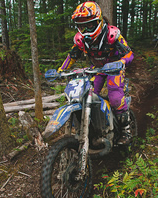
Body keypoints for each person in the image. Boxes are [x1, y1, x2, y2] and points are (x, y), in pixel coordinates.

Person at [57, 1, 134, 144]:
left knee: (115, 96)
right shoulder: (80, 40)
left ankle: (125, 131)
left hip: (114, 69)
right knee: (86, 95)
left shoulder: (112, 34)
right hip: (96, 70)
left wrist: (121, 62)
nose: (85, 29)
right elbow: (72, 56)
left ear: (98, 21)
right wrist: (61, 70)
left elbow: (129, 54)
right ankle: (94, 128)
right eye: (81, 25)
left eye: (89, 25)